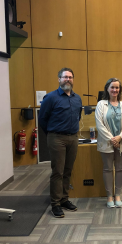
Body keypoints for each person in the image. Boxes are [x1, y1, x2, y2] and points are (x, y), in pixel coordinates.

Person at [39, 68, 82, 218]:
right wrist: (52, 134)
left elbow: (78, 117)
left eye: (70, 77)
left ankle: (64, 199)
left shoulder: (77, 98)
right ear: (59, 79)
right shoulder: (50, 98)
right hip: (56, 138)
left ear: (73, 79)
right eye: (65, 77)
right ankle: (55, 204)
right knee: (58, 171)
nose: (68, 79)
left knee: (68, 170)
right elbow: (43, 119)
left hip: (73, 138)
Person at [95, 78, 122, 208]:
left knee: (120, 168)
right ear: (107, 88)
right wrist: (112, 139)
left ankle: (118, 195)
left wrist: (120, 138)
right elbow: (99, 125)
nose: (115, 90)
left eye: (117, 88)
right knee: (107, 169)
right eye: (112, 87)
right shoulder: (101, 104)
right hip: (107, 143)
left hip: (121, 142)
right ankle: (109, 196)